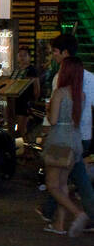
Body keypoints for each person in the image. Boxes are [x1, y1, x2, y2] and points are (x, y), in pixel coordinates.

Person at [39, 36, 94, 230]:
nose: (53, 56)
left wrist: (48, 111)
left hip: (60, 140)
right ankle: (58, 223)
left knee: (57, 184)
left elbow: (53, 119)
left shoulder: (60, 89)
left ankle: (81, 215)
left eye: (55, 51)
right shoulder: (85, 89)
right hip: (79, 138)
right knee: (64, 183)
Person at [9, 45, 40, 139]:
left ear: (29, 57)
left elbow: (36, 87)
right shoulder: (16, 70)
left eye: (25, 55)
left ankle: (25, 151)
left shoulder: (32, 70)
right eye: (20, 55)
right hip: (13, 102)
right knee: (13, 128)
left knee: (22, 129)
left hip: (25, 102)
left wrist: (33, 101)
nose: (22, 57)